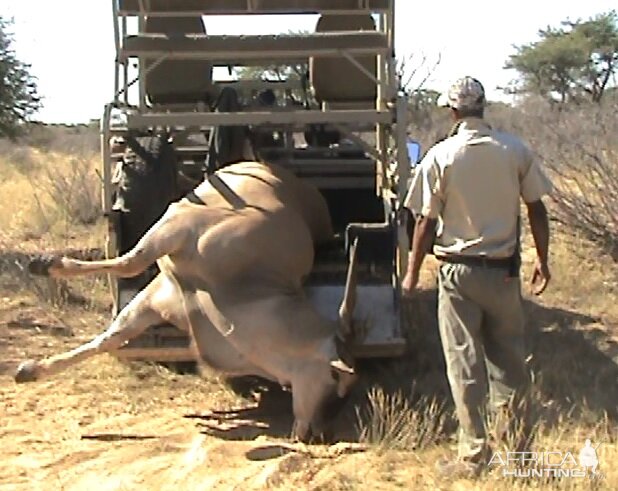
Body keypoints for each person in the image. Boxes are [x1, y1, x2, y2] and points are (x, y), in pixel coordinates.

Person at [402, 76, 553, 476]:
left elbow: (424, 222)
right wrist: (543, 258)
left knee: (464, 364)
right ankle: (519, 456)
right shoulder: (514, 150)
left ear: (453, 111)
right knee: (510, 362)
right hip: (503, 272)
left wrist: (412, 273)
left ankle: (474, 455)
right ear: (484, 107)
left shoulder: (440, 156)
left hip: (458, 275)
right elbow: (537, 208)